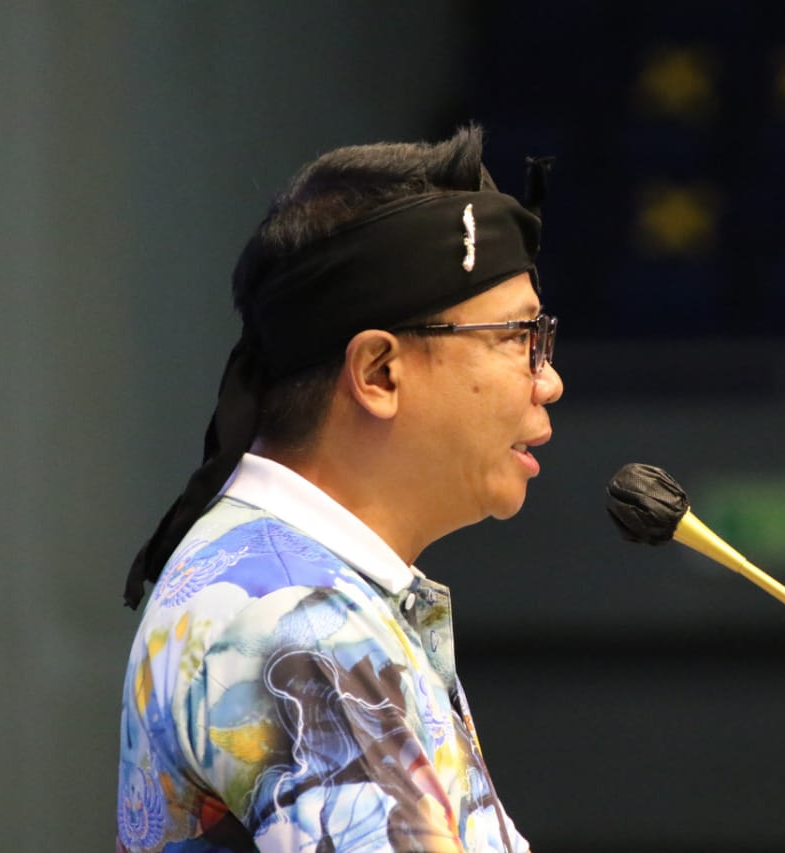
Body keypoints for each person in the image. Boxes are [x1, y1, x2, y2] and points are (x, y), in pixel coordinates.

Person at [116, 126, 561, 852]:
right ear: (379, 372)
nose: (549, 380)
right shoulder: (302, 621)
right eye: (518, 338)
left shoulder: (294, 584)